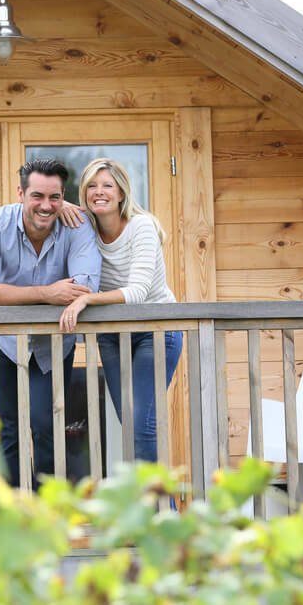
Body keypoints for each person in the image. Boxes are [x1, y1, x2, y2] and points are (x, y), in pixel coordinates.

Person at [0, 158, 101, 488]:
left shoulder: (76, 225)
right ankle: (14, 514)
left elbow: (85, 286)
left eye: (55, 197)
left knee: (47, 425)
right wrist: (46, 293)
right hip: (5, 341)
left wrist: (23, 295)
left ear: (63, 196)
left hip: (55, 341)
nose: (46, 205)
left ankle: (49, 514)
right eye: (37, 196)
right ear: (21, 194)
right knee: (6, 427)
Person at [58, 158, 182, 463]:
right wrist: (58, 205)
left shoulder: (142, 227)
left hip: (155, 331)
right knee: (130, 427)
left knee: (142, 427)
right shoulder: (84, 230)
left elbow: (137, 292)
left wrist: (87, 299)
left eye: (107, 186)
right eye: (91, 186)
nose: (99, 192)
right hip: (112, 336)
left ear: (122, 193)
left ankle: (159, 509)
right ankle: (153, 506)